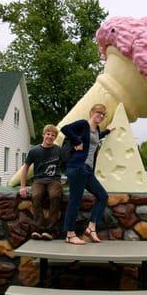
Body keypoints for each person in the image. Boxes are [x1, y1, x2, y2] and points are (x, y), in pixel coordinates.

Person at [61, 104, 114, 245]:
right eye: (99, 112)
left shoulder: (96, 129)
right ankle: (70, 234)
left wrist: (108, 131)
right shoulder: (83, 124)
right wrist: (77, 141)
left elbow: (95, 139)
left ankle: (91, 228)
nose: (101, 116)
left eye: (104, 114)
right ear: (91, 112)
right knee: (75, 201)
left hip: (87, 169)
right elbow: (65, 129)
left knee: (102, 196)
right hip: (77, 167)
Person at [20, 124, 63, 240]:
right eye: (48, 134)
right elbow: (25, 168)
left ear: (55, 138)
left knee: (55, 196)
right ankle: (37, 229)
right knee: (36, 196)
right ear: (43, 135)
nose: (50, 136)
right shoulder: (34, 151)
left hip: (54, 180)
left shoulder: (58, 150)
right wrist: (22, 186)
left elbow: (67, 163)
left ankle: (50, 230)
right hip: (39, 180)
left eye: (53, 135)